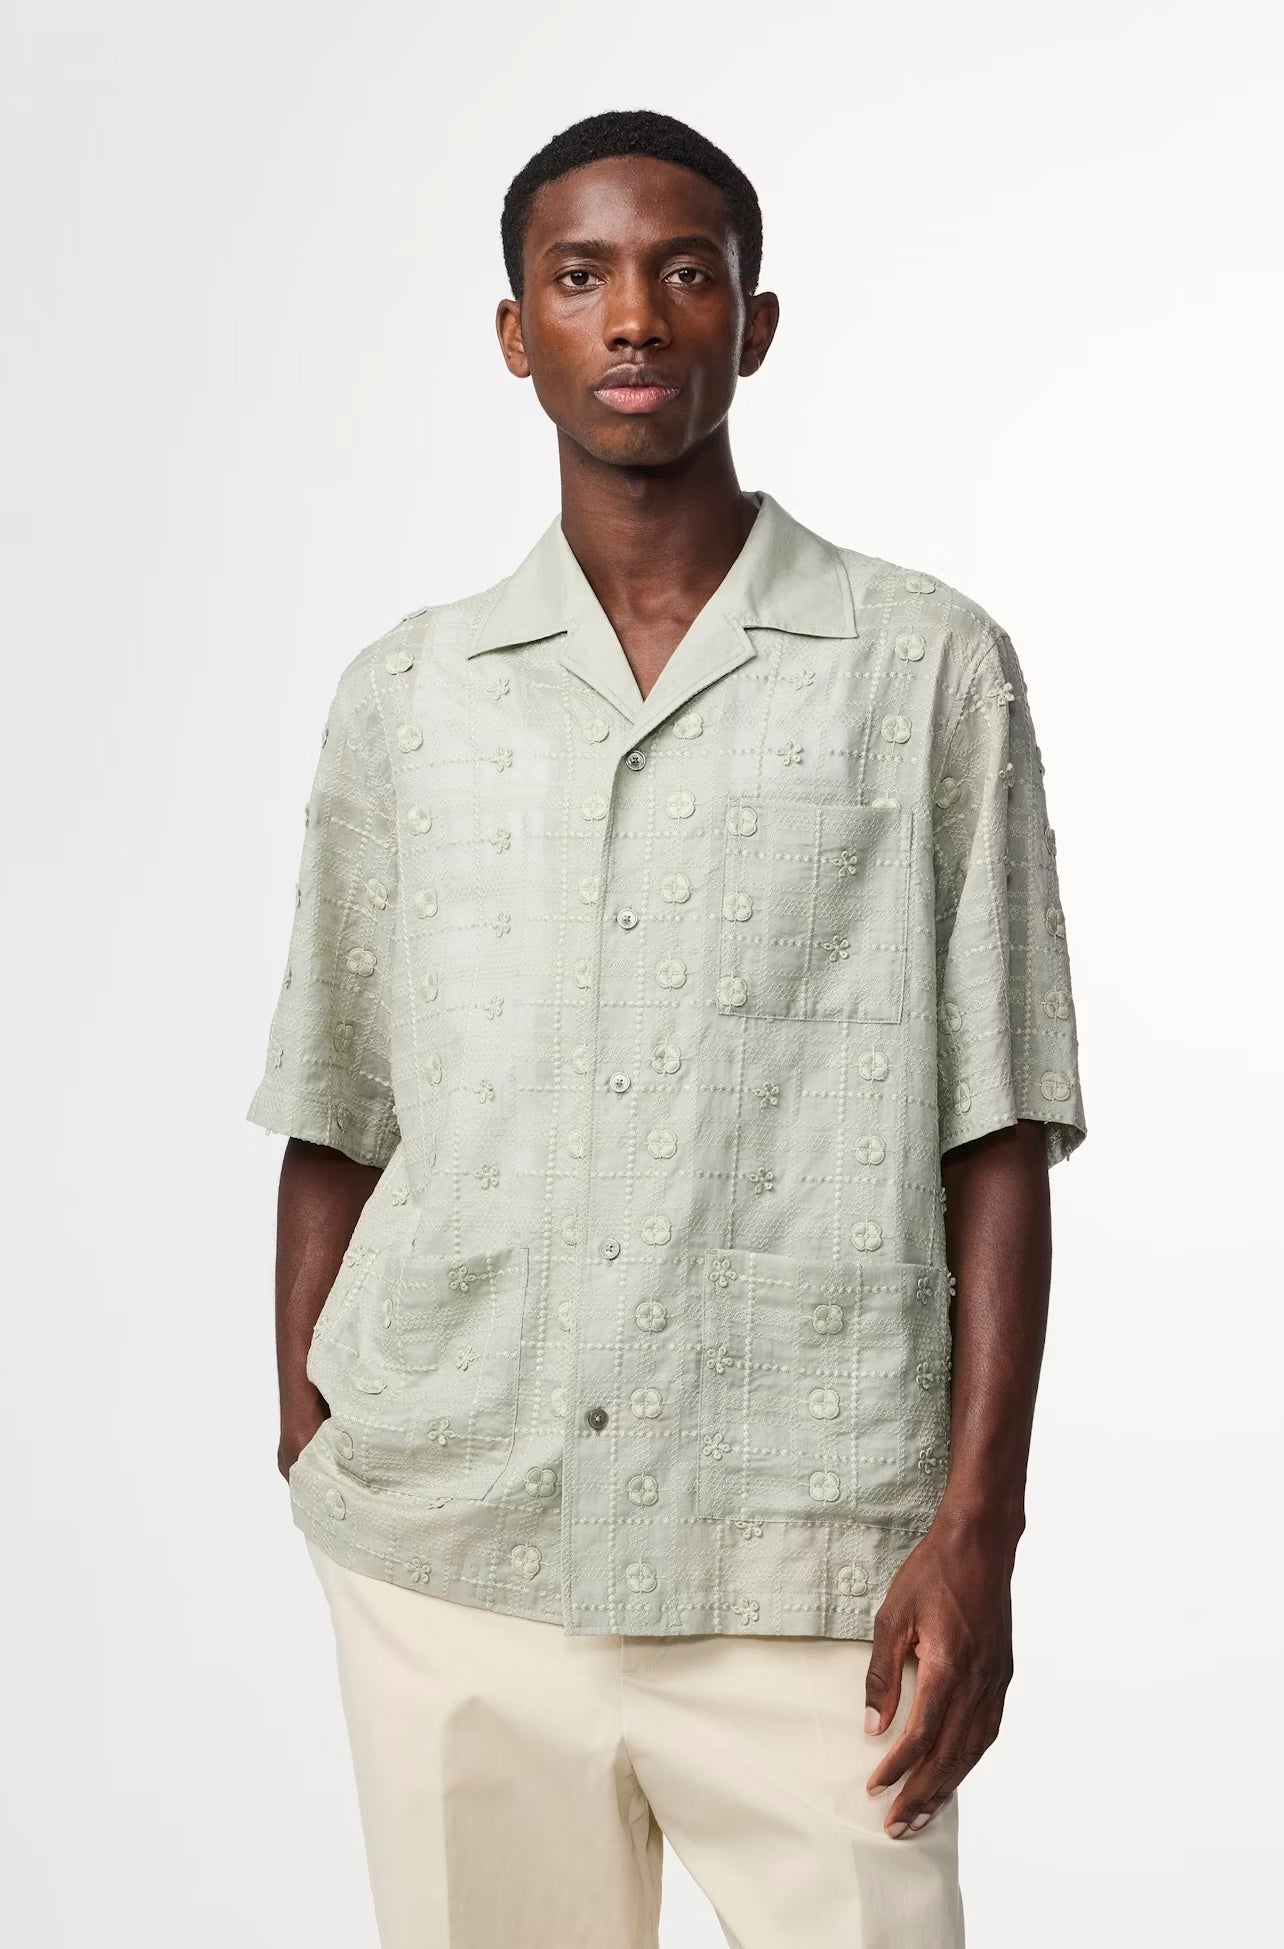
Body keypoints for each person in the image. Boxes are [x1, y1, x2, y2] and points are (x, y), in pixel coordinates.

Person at [245, 106, 1087, 1949]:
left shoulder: (923, 668)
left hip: (810, 1559)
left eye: (683, 272)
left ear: (752, 323)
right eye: (581, 276)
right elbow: (336, 1103)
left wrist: (979, 1530)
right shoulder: (407, 695)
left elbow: (1001, 1124)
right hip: (457, 1551)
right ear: (516, 331)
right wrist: (310, 1443)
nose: (633, 316)